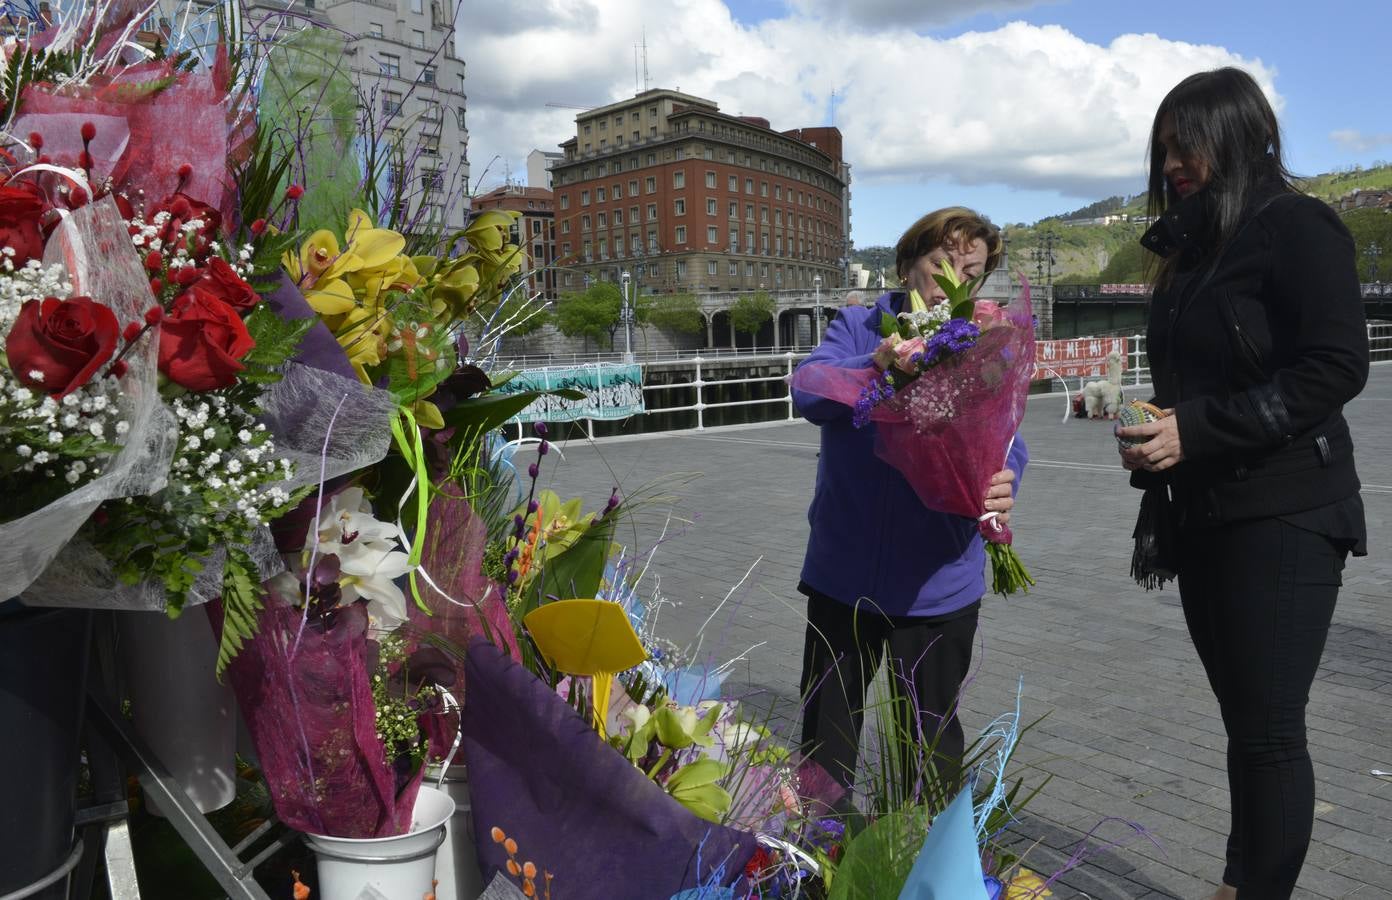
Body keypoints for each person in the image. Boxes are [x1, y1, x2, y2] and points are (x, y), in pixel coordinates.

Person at [1117, 68, 1369, 900]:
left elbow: (1336, 365)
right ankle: (1238, 881)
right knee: (1245, 725)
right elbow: (1201, 378)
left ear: (1237, 134)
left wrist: (1196, 430)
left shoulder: (1299, 225)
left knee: (1268, 733)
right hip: (1207, 513)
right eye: (1163, 147)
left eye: (1186, 141)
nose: (1172, 161)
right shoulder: (1193, 247)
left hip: (1288, 511)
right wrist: (1158, 432)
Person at [791, 207, 1029, 796]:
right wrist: (876, 366)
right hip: (844, 575)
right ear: (906, 265)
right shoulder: (857, 326)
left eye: (970, 273)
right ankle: (821, 865)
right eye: (942, 264)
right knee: (827, 743)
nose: (955, 282)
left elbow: (1008, 436)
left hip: (937, 583)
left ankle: (923, 874)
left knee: (929, 751)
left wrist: (1006, 477)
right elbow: (808, 391)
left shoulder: (988, 343)